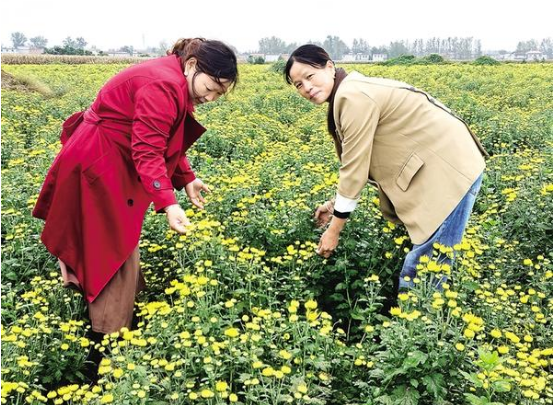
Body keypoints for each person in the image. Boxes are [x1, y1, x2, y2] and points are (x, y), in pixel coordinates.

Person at [33, 38, 238, 335]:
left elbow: (164, 135)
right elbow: (148, 149)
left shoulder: (172, 77)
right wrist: (169, 203)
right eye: (211, 87)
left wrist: (186, 178)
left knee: (112, 243)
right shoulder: (163, 84)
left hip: (104, 160)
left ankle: (117, 318)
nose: (211, 98)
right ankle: (107, 338)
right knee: (110, 247)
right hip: (98, 165)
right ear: (192, 65)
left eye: (219, 93)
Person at [284, 44, 487, 290]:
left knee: (424, 269)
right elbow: (361, 162)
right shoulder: (348, 91)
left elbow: (354, 169)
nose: (306, 87)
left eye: (310, 76)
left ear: (329, 66)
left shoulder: (352, 96)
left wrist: (334, 230)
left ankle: (416, 314)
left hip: (448, 170)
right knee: (429, 260)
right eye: (298, 84)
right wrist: (333, 205)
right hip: (442, 165)